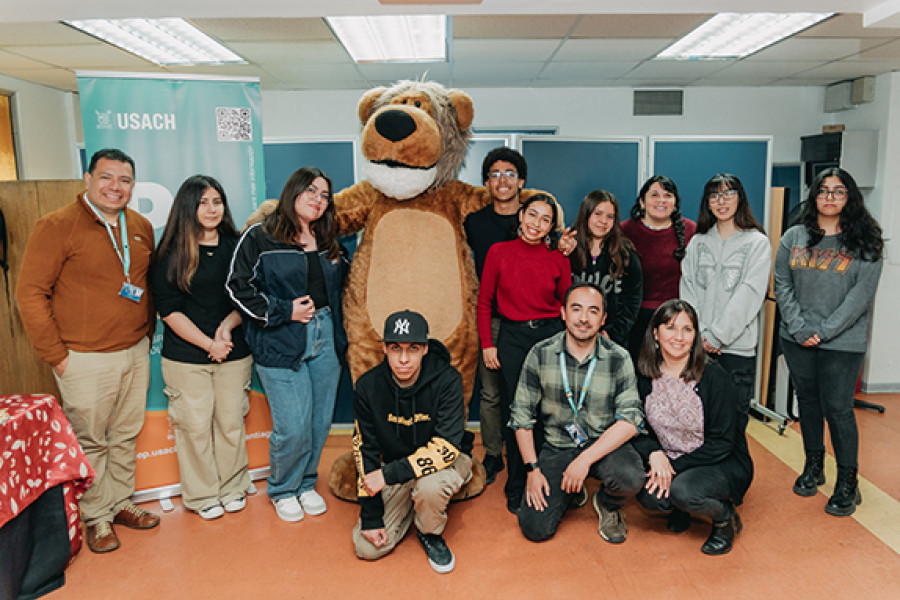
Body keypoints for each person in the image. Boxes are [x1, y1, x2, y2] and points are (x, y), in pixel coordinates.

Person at [16, 148, 159, 553]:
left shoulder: (141, 226)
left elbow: (145, 288)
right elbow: (29, 294)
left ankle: (120, 502)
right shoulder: (56, 226)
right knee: (91, 439)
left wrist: (145, 339)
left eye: (125, 180)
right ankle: (96, 517)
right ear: (88, 178)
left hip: (133, 351)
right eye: (107, 177)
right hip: (82, 358)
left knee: (125, 435)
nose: (115, 187)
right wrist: (56, 356)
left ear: (133, 185)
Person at [226, 166, 348, 523]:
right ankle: (283, 488)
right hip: (280, 339)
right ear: (292, 192)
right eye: (311, 191)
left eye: (325, 195)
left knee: (318, 422)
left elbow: (342, 290)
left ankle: (307, 482)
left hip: (326, 336)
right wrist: (284, 311)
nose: (318, 200)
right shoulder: (259, 236)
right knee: (292, 425)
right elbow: (237, 286)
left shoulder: (328, 239)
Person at [774, 167, 883, 517]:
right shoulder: (793, 236)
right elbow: (782, 283)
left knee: (837, 408)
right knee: (807, 402)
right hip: (797, 337)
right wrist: (800, 327)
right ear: (814, 195)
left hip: (842, 341)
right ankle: (813, 467)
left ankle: (848, 482)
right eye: (823, 190)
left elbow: (860, 296)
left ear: (849, 197)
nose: (830, 197)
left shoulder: (866, 242)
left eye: (838, 191)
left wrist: (826, 330)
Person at [150, 175, 252, 521]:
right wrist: (209, 343)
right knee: (194, 428)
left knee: (230, 424)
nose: (211, 209)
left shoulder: (237, 245)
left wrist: (226, 328)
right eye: (203, 202)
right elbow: (169, 310)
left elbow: (249, 294)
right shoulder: (170, 252)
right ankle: (203, 495)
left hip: (233, 352)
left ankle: (234, 487)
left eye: (216, 201)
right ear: (187, 207)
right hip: (186, 358)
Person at [511, 283, 644, 543]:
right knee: (535, 528)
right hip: (559, 446)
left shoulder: (619, 357)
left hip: (603, 444)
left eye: (593, 311)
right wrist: (533, 471)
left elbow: (630, 420)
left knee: (630, 477)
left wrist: (584, 460)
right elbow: (521, 417)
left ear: (603, 319)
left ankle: (607, 503)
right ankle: (572, 489)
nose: (584, 318)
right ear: (563, 313)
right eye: (576, 309)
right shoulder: (540, 354)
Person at [352, 310, 472, 574]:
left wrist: (387, 475)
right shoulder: (367, 387)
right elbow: (365, 450)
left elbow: (447, 447)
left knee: (430, 487)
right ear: (384, 348)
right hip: (399, 465)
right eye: (396, 348)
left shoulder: (448, 380)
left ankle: (430, 532)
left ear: (425, 349)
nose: (403, 359)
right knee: (366, 548)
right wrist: (372, 517)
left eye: (413, 349)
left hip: (447, 461)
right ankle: (414, 505)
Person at [632, 299, 753, 555]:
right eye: (670, 327)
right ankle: (681, 507)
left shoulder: (714, 377)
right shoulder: (645, 376)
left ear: (696, 335)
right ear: (655, 333)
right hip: (673, 459)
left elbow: (722, 442)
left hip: (719, 461)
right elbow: (636, 426)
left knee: (683, 490)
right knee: (648, 496)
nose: (679, 337)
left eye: (687, 329)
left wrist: (673, 468)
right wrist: (655, 453)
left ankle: (724, 519)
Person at [476, 193, 572, 513]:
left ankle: (547, 478)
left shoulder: (559, 257)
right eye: (532, 215)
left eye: (546, 220)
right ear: (520, 215)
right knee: (517, 414)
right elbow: (484, 302)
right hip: (512, 338)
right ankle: (517, 484)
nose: (537, 224)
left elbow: (566, 305)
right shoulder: (498, 252)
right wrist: (488, 344)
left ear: (551, 227)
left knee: (549, 412)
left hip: (549, 337)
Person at [463, 147, 528, 485]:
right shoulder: (474, 223)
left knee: (526, 393)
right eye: (495, 174)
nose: (502, 180)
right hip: (491, 318)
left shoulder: (532, 220)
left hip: (528, 321)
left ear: (521, 181)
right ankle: (492, 454)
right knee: (490, 393)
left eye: (509, 174)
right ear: (486, 182)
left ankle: (527, 452)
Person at [680, 174, 771, 405]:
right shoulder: (698, 242)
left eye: (728, 193)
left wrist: (718, 335)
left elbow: (750, 293)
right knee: (701, 421)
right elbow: (688, 288)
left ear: (740, 198)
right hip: (700, 347)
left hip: (737, 350)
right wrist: (700, 334)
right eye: (714, 195)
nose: (722, 201)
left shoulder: (756, 242)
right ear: (707, 203)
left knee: (734, 422)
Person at [621, 175, 697, 362]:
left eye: (668, 195)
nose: (661, 200)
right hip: (635, 320)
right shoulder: (625, 230)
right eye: (654, 195)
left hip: (677, 320)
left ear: (675, 202)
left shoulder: (691, 230)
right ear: (642, 202)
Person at [570, 189, 643, 348]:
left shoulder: (626, 255)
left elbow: (632, 303)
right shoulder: (568, 251)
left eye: (610, 217)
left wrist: (611, 333)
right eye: (598, 213)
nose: (603, 221)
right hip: (572, 338)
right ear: (586, 214)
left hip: (612, 343)